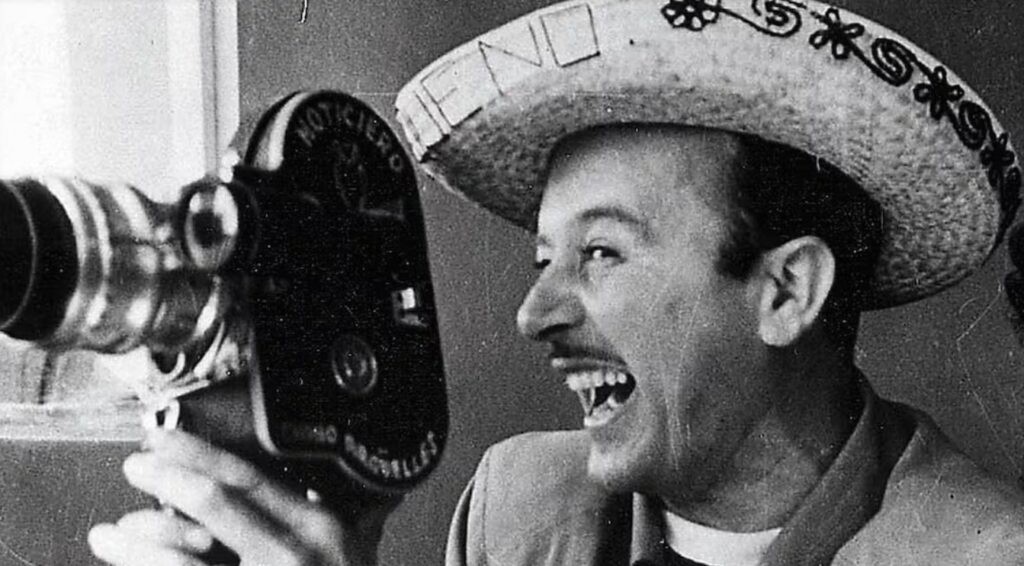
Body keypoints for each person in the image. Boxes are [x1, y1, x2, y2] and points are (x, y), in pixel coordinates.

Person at [89, 0, 1024, 564]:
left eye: (601, 253)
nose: (534, 313)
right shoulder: (514, 506)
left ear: (786, 291)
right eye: (544, 260)